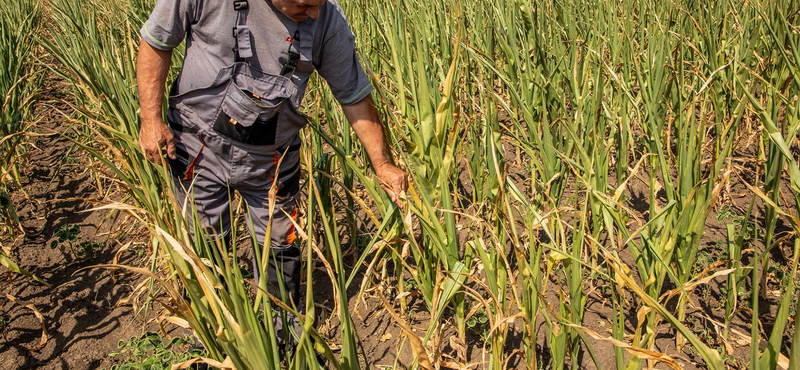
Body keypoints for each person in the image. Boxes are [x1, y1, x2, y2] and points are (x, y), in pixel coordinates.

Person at [136, 0, 407, 337]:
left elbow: (353, 95)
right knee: (205, 244)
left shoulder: (327, 19)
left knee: (281, 244)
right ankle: (217, 338)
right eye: (304, 4)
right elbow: (156, 42)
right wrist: (151, 120)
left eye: (318, 3)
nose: (313, 13)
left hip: (272, 157)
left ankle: (287, 334)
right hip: (196, 146)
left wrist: (382, 163)